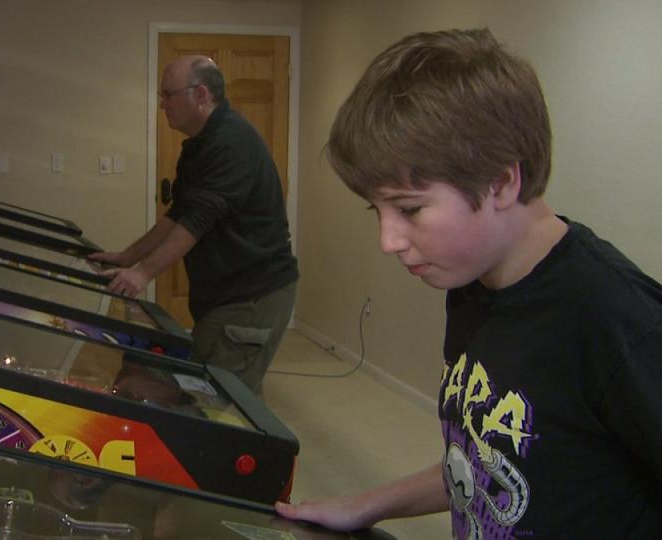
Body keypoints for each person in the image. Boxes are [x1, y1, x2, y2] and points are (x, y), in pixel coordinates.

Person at [276, 28, 662, 537]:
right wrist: (366, 505)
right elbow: (488, 461)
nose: (388, 240)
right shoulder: (474, 287)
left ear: (500, 182)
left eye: (410, 209)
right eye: (379, 209)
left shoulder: (617, 318)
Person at [89, 55, 299, 395]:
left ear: (200, 94)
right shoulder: (199, 145)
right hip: (223, 295)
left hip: (252, 297)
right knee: (207, 387)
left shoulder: (231, 143)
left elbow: (197, 221)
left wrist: (143, 274)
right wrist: (128, 257)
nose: (162, 104)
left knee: (222, 400)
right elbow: (179, 214)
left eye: (168, 94)